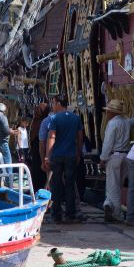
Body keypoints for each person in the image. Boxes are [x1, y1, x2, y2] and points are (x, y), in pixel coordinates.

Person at [42, 96, 83, 224]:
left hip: (57, 156)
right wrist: (78, 153)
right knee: (70, 185)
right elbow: (80, 138)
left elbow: (51, 137)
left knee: (56, 185)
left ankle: (56, 214)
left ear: (59, 103)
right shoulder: (75, 118)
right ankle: (70, 213)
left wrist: (47, 156)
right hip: (70, 155)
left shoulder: (54, 118)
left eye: (53, 103)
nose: (52, 106)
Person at [98, 100, 131, 223]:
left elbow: (108, 144)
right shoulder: (126, 122)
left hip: (113, 156)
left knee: (113, 187)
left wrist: (102, 158)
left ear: (111, 112)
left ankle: (116, 213)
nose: (106, 113)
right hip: (125, 155)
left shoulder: (112, 123)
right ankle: (108, 204)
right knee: (118, 185)